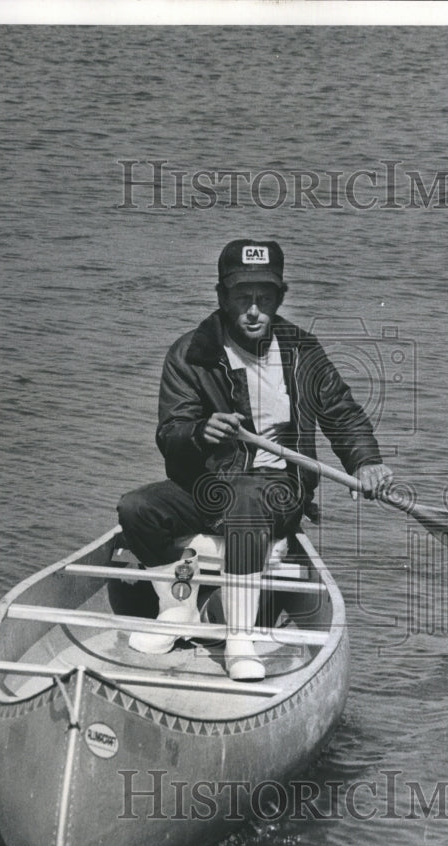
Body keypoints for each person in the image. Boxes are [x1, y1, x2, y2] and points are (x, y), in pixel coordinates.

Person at [117, 239, 393, 681]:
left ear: (280, 297)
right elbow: (171, 434)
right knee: (137, 509)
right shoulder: (191, 353)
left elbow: (341, 412)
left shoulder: (303, 351)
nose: (253, 310)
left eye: (264, 298)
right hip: (208, 486)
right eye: (242, 297)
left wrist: (365, 462)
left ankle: (239, 637)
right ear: (221, 296)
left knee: (246, 498)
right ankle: (177, 610)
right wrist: (199, 434)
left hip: (279, 490)